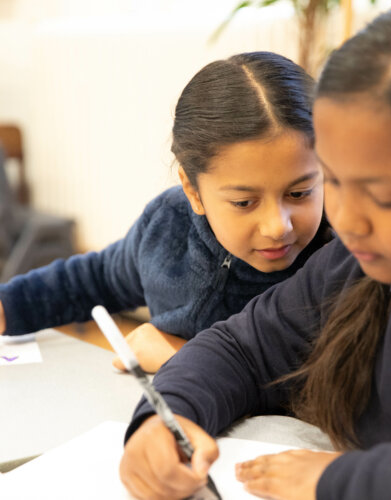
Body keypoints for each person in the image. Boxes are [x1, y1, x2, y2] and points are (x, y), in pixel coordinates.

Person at [119, 0, 391, 498]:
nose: (347, 220)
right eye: (333, 182)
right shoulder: (351, 267)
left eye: (386, 197)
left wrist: (340, 480)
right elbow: (240, 348)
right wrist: (165, 418)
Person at [0, 51, 331, 373]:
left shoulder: (340, 255)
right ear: (193, 191)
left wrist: (188, 359)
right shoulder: (167, 224)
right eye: (244, 203)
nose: (277, 226)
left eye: (300, 193)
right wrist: (10, 305)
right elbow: (97, 278)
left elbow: (330, 385)